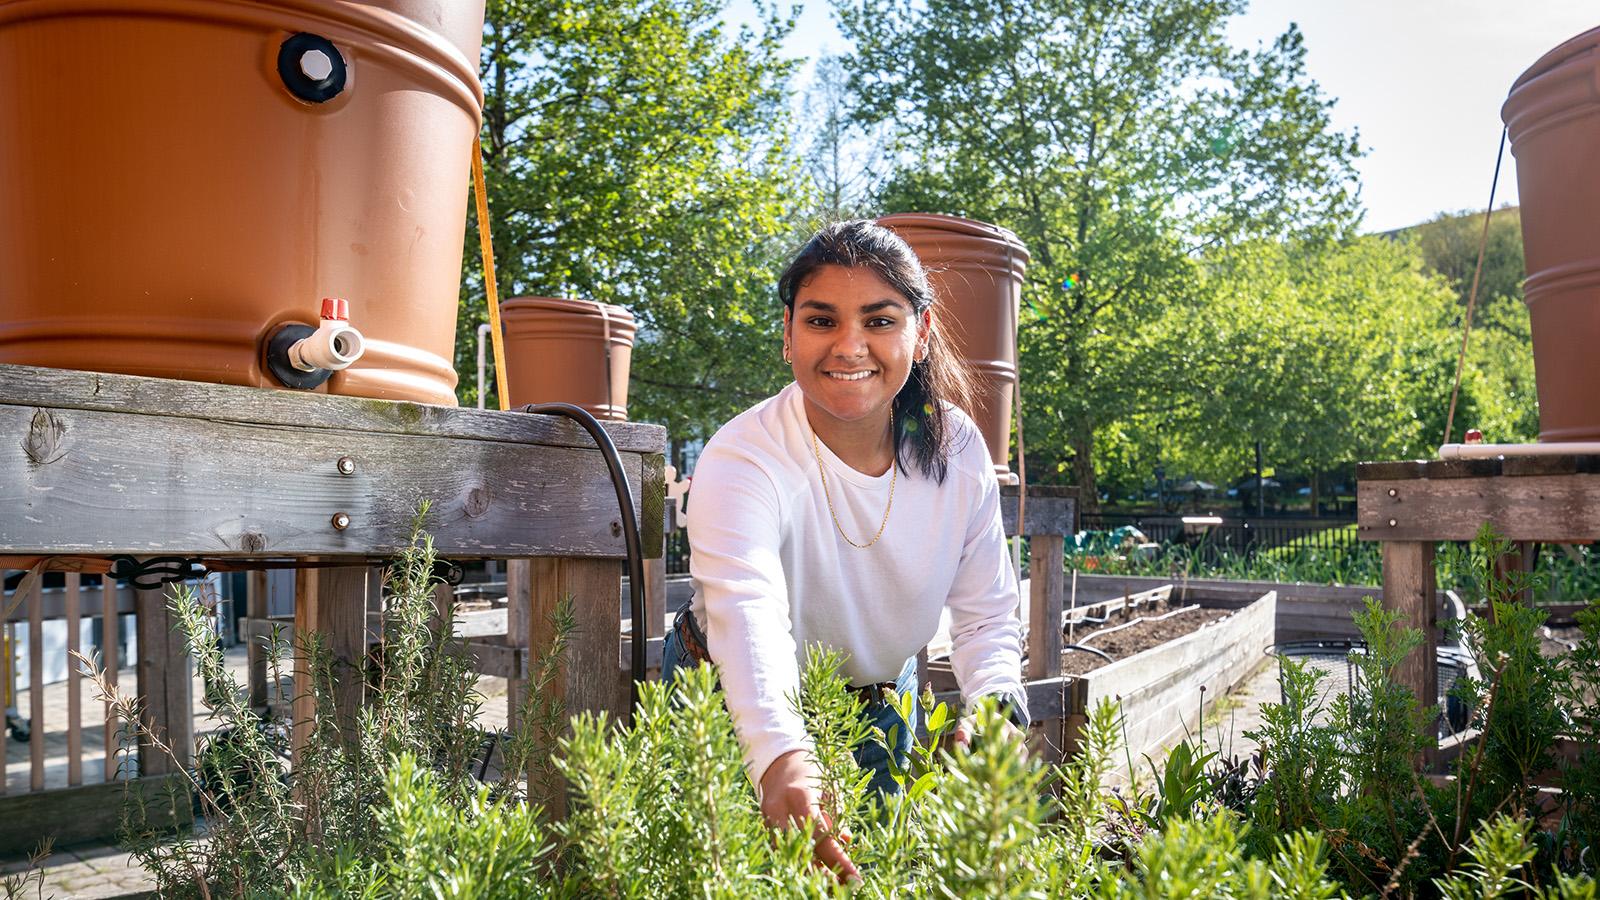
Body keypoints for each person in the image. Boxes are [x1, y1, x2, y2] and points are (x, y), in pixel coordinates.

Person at [661, 220, 1028, 879]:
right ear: (788, 334)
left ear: (919, 335)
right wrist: (778, 755)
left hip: (884, 700)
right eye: (822, 320)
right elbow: (748, 613)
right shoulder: (743, 457)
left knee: (873, 877)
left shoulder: (958, 449)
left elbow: (986, 611)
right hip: (729, 694)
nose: (849, 345)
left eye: (880, 320)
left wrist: (997, 703)